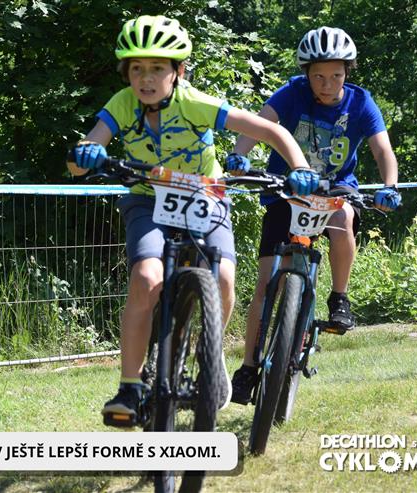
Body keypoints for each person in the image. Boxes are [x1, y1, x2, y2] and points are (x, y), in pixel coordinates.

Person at [66, 15, 316, 426]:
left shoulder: (194, 102)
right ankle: (130, 386)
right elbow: (81, 159)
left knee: (224, 277)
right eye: (136, 69)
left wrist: (300, 166)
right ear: (126, 73)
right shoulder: (122, 104)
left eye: (157, 68)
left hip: (204, 195)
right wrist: (85, 154)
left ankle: (211, 354)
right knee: (146, 277)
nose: (146, 78)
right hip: (147, 199)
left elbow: (272, 132)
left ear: (178, 72)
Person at [226, 27, 402, 405]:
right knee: (266, 283)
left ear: (348, 72)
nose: (327, 84)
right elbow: (259, 124)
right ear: (306, 73)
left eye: (336, 75)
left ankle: (339, 297)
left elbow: (382, 150)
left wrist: (390, 185)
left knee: (344, 221)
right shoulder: (292, 93)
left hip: (335, 193)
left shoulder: (361, 103)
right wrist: (240, 155)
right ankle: (248, 367)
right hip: (287, 192)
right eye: (318, 76)